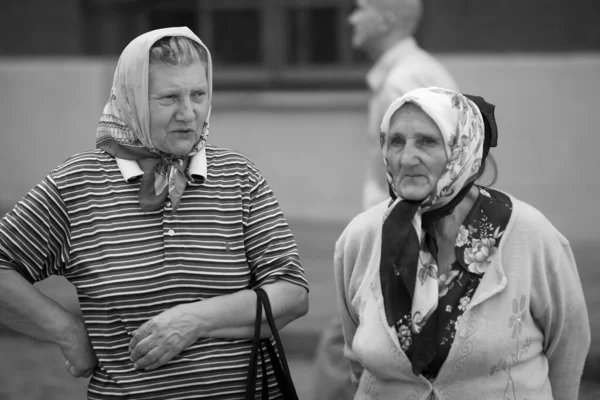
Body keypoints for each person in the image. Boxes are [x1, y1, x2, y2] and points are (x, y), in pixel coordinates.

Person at [0, 27, 309, 399]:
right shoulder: (77, 186)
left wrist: (194, 320)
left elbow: (292, 293)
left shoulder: (239, 177)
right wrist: (68, 332)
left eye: (198, 94)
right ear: (132, 99)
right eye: (168, 98)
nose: (188, 113)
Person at [334, 86, 590, 399]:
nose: (406, 157)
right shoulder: (362, 237)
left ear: (462, 149)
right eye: (397, 141)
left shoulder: (529, 234)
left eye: (427, 141)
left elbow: (568, 348)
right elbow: (357, 358)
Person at [311, 0, 458, 398]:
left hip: (402, 231)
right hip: (417, 231)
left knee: (346, 339)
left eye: (361, 9)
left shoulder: (403, 81)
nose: (351, 18)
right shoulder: (417, 69)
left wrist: (391, 238)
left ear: (386, 18)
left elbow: (415, 176)